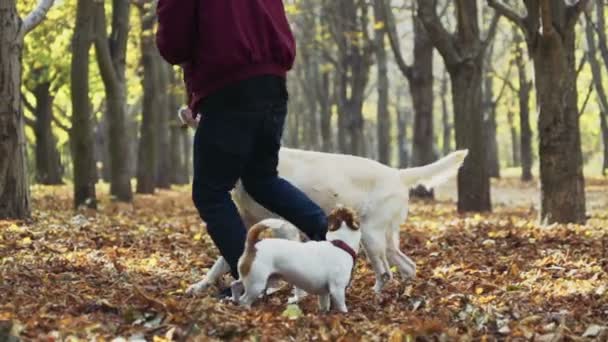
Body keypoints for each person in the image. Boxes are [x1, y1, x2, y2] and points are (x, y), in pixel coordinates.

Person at [156, 0, 328, 297]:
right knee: (262, 179)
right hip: (272, 83)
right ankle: (332, 237)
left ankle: (253, 280)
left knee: (210, 192)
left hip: (228, 88)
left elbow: (174, 45)